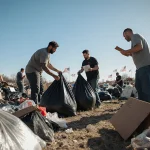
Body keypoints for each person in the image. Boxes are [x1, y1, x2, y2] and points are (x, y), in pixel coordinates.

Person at [115, 28, 150, 102]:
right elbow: (135, 52)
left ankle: (146, 107)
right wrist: (127, 53)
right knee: (139, 87)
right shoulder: (134, 41)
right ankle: (143, 108)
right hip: (140, 68)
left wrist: (126, 51)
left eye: (124, 36)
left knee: (146, 89)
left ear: (127, 33)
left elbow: (139, 47)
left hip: (145, 67)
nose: (124, 38)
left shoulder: (135, 36)